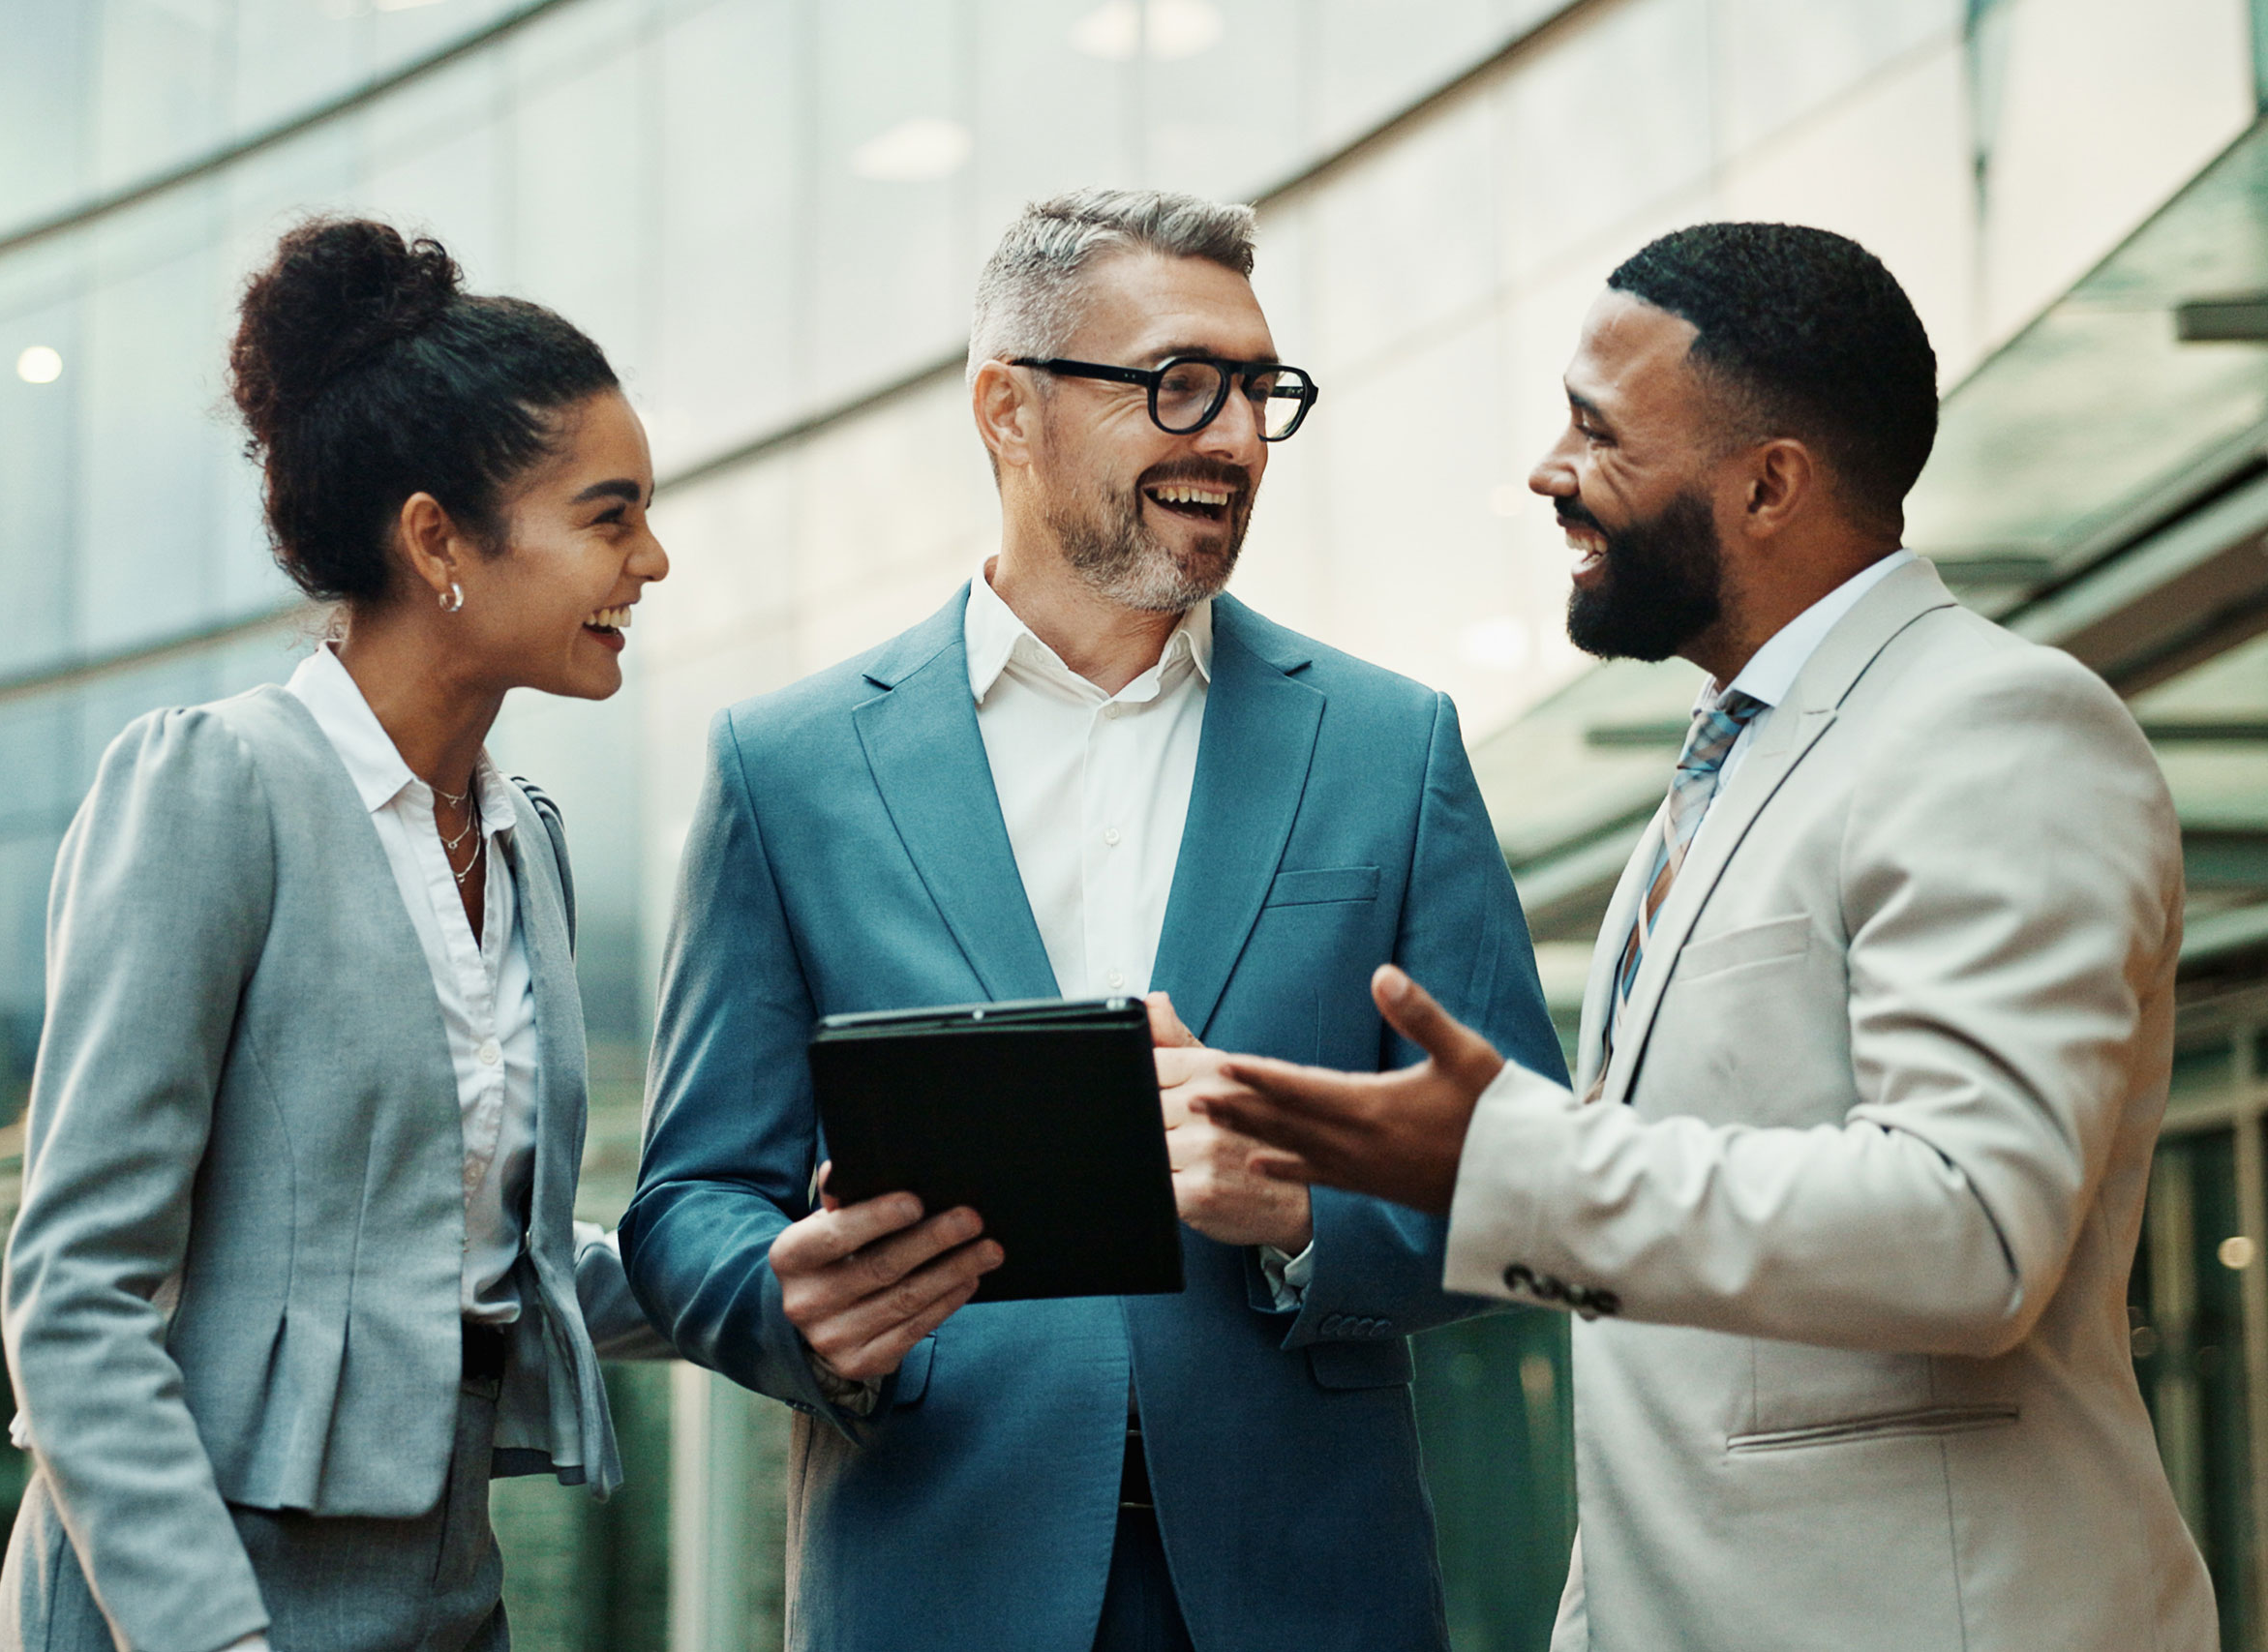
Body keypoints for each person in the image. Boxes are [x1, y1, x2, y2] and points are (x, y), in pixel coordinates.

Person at [1189, 222, 2217, 1652]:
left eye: (1599, 433)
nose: (1550, 472)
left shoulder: (1992, 727)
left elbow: (1971, 1229)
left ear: (1769, 484)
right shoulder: (1731, 764)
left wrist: (1505, 1165)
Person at [618, 188, 1562, 1652]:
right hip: (937, 1577)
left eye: (1260, 391)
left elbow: (1533, 1172)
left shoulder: (1392, 745)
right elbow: (690, 1198)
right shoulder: (788, 768)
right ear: (1008, 408)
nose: (1237, 439)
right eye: (1181, 384)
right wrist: (791, 1303)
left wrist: (1306, 1212)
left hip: (1309, 1586)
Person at [0, 219, 670, 1652]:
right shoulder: (214, 788)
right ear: (437, 540)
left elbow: (473, 1250)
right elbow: (76, 1295)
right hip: (181, 1599)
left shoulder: (525, 837)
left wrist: (765, 1274)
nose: (653, 561)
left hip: (446, 1592)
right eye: (610, 517)